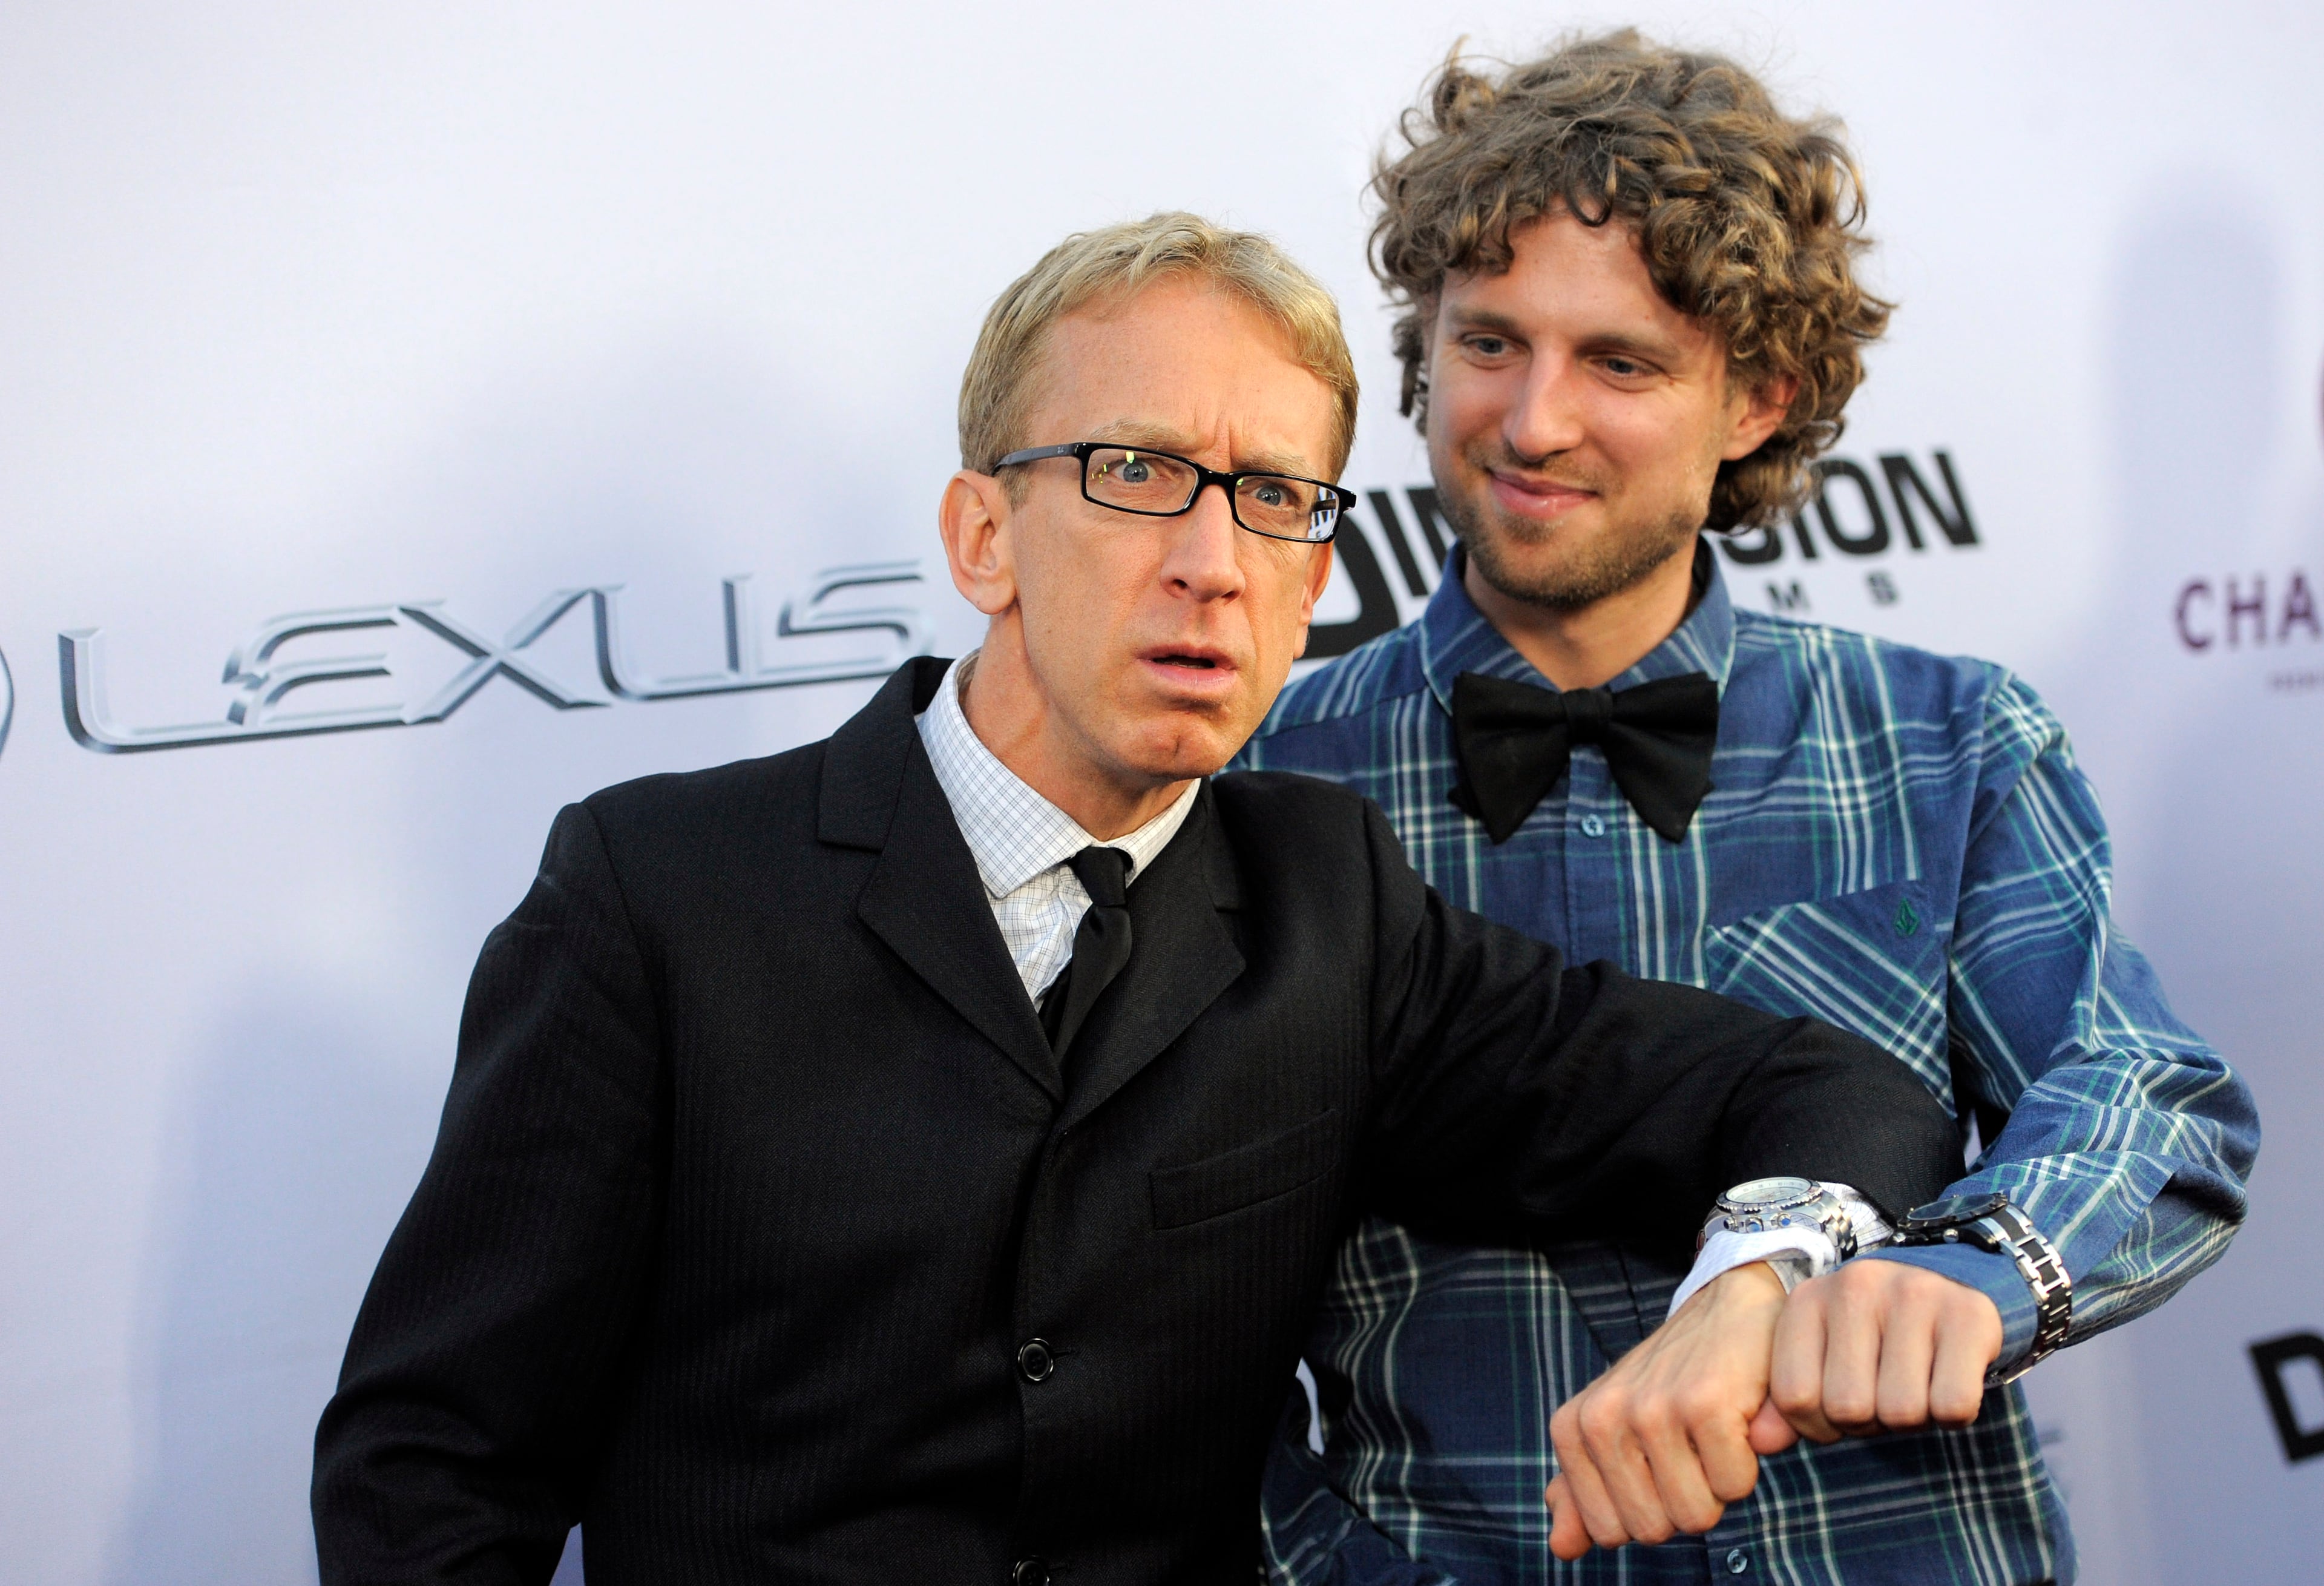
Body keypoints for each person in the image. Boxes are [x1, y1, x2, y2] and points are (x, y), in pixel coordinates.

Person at [309, 212, 1959, 1586]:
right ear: (984, 534)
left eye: (1272, 499)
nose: (1213, 560)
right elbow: (433, 1466)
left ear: (1318, 572)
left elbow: (1833, 1089)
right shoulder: (655, 896)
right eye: (1135, 470)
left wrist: (1758, 1281)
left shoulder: (1328, 905)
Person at [1244, 31, 2259, 1585]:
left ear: (1755, 399)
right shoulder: (1264, 785)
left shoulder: (1947, 740)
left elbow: (2145, 1095)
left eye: (1621, 363)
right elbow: (1158, 1325)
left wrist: (1965, 1275)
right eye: (1491, 341)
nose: (1532, 423)